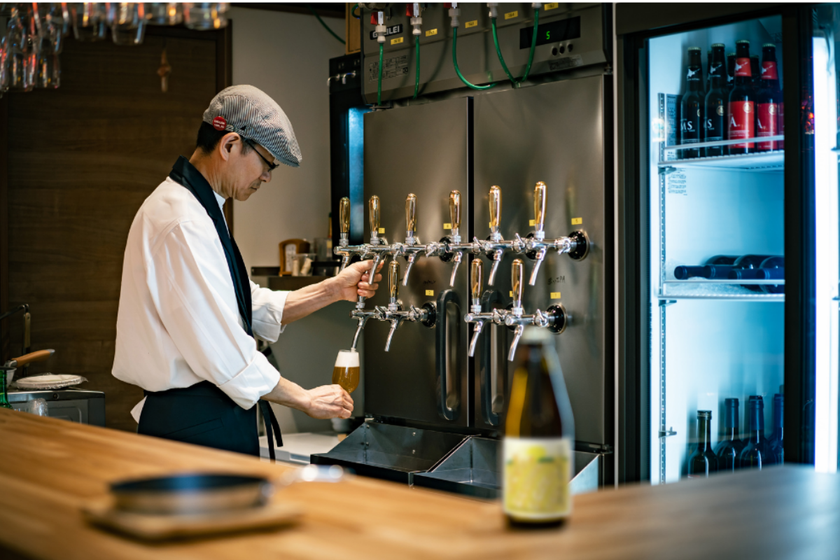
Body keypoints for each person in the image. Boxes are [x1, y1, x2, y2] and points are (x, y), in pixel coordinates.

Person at [112, 85, 381, 459]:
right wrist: (304, 398)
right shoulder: (183, 221)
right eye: (267, 163)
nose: (267, 177)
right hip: (195, 426)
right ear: (229, 145)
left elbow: (243, 306)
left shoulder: (199, 209)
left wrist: (333, 289)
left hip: (206, 419)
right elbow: (222, 350)